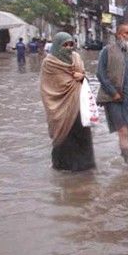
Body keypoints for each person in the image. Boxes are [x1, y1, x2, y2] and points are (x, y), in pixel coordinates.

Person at [39, 32, 96, 171]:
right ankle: (64, 167)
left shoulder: (76, 58)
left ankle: (85, 168)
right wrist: (73, 79)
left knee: (82, 135)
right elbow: (48, 88)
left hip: (79, 105)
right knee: (66, 138)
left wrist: (81, 77)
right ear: (57, 45)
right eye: (65, 45)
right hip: (60, 108)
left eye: (71, 44)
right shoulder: (49, 63)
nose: (69, 47)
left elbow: (84, 80)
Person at [96, 24, 128, 163]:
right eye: (126, 33)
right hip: (115, 99)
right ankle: (127, 161)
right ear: (118, 35)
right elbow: (100, 74)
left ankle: (125, 155)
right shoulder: (108, 51)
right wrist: (113, 93)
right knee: (123, 130)